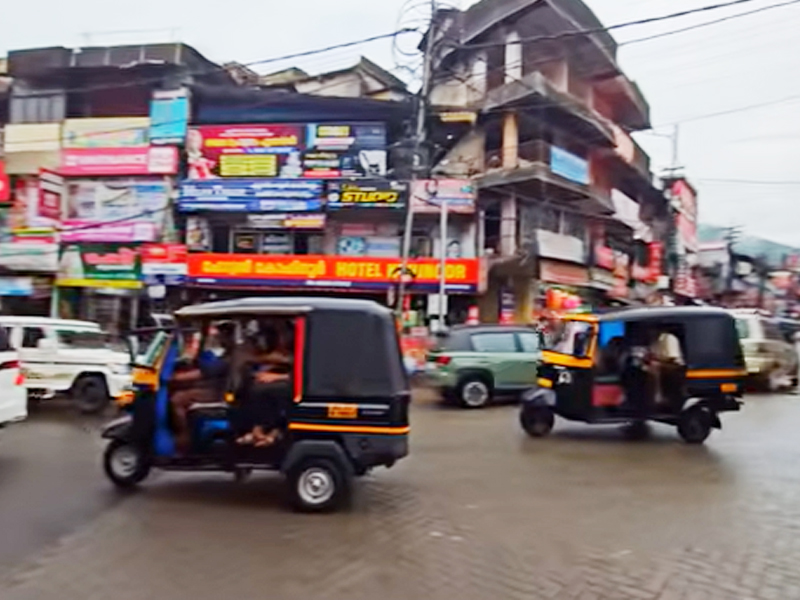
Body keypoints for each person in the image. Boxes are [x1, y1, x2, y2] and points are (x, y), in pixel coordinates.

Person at [170, 322, 236, 452]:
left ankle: (184, 435)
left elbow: (203, 373)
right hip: (216, 386)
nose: (219, 339)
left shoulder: (231, 356)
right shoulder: (225, 354)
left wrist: (173, 377)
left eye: (222, 335)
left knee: (177, 399)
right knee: (180, 389)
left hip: (220, 392)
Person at [234, 321, 293, 448]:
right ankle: (251, 429)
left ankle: (264, 430)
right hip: (280, 376)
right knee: (247, 384)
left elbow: (304, 370)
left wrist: (278, 376)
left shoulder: (302, 347)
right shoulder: (273, 346)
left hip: (297, 383)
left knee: (261, 390)